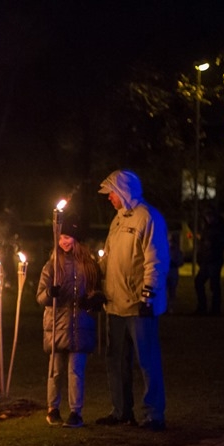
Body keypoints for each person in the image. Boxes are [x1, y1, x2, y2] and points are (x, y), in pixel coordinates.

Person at [96, 169, 170, 431]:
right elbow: (109, 257)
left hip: (139, 307)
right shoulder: (118, 220)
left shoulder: (148, 218)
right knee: (116, 360)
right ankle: (121, 411)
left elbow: (156, 260)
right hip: (115, 304)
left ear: (124, 191)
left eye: (112, 193)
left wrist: (148, 295)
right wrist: (97, 277)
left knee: (146, 361)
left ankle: (153, 414)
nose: (109, 198)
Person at [36, 213, 104, 428]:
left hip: (81, 325)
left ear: (77, 239)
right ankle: (52, 408)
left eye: (69, 237)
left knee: (76, 371)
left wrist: (93, 300)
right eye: (61, 237)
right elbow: (40, 297)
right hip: (57, 325)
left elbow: (97, 291)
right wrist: (50, 293)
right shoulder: (51, 266)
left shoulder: (89, 265)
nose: (64, 241)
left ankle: (76, 412)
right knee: (55, 370)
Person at [193, 205, 224, 316]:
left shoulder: (219, 227)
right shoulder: (207, 227)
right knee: (199, 282)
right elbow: (203, 243)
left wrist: (214, 243)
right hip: (206, 259)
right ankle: (203, 307)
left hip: (214, 259)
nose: (208, 219)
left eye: (209, 216)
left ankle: (214, 309)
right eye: (206, 216)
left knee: (213, 285)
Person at [166, 231, 184, 313]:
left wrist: (175, 262)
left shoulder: (176, 250)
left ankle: (170, 308)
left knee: (172, 291)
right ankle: (166, 307)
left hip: (172, 271)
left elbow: (180, 261)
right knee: (166, 291)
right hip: (166, 272)